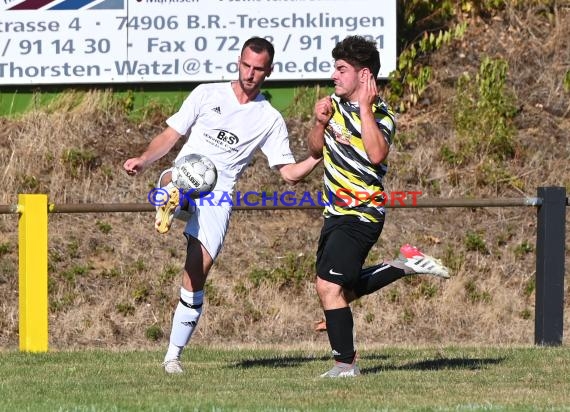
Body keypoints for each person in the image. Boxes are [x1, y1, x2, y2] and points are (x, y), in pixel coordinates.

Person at [123, 36, 322, 374]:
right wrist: (143, 158)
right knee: (181, 177)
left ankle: (172, 357)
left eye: (258, 69)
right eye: (246, 65)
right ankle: (171, 197)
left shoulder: (269, 118)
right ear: (238, 62)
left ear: (268, 72)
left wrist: (317, 156)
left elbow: (288, 174)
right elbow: (171, 136)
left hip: (218, 196)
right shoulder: (207, 93)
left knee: (196, 275)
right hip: (187, 171)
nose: (250, 73)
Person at [307, 35, 450, 378]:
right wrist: (319, 122)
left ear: (363, 75)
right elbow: (314, 150)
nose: (334, 75)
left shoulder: (383, 114)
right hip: (334, 214)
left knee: (328, 286)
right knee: (338, 287)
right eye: (335, 68)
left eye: (341, 69)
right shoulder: (332, 105)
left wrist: (366, 108)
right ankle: (405, 265)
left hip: (362, 215)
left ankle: (345, 366)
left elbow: (376, 154)